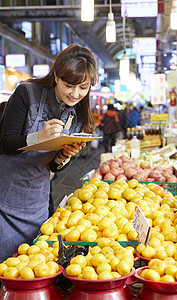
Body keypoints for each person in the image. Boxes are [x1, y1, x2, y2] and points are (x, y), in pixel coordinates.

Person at [0, 43, 98, 262]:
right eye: (68, 85)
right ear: (56, 76)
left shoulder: (78, 114)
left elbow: (53, 166)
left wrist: (65, 155)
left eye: (83, 88)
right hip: (5, 199)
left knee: (34, 263)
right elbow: (5, 143)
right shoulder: (26, 93)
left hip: (39, 199)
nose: (75, 93)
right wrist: (40, 137)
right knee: (7, 266)